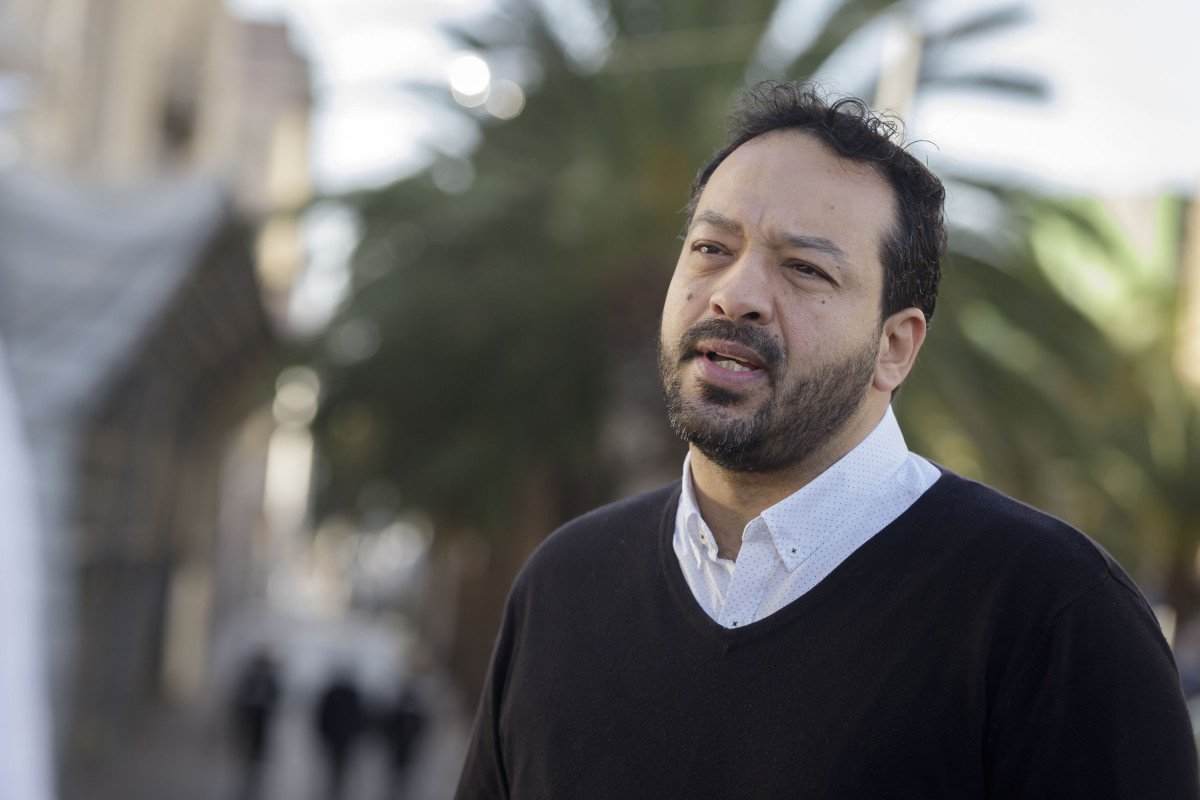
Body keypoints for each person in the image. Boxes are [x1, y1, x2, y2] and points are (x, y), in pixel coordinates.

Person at [453, 81, 1200, 798]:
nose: (735, 294)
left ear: (895, 348)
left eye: (805, 268)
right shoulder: (561, 588)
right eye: (713, 248)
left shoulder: (1053, 617)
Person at [229, 649, 282, 800]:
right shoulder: (253, 676)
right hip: (252, 711)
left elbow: (275, 695)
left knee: (260, 734)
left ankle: (256, 756)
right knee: (252, 733)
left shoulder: (268, 677)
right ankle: (250, 755)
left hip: (261, 712)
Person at [314, 667, 366, 799]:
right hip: (342, 736)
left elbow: (322, 714)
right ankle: (337, 785)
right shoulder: (351, 694)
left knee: (335, 763)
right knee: (339, 763)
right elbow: (358, 717)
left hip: (335, 735)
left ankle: (335, 785)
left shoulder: (334, 692)